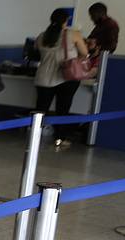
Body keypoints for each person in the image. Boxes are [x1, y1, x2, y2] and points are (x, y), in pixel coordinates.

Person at [35, 8, 90, 146]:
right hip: (65, 77)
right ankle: (59, 138)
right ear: (66, 20)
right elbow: (85, 53)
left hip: (43, 77)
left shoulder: (42, 36)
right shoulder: (73, 34)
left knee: (41, 110)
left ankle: (34, 137)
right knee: (62, 109)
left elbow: (37, 53)